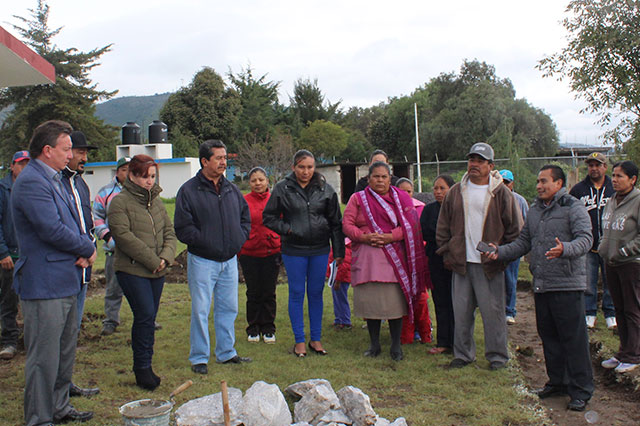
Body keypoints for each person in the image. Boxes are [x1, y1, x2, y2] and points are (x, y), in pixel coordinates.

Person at [485, 164, 594, 412]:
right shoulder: (535, 210)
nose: (538, 186)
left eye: (544, 181)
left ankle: (581, 390)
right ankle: (558, 382)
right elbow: (523, 243)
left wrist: (565, 249)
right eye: (538, 181)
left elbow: (586, 239)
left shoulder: (573, 207)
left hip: (567, 285)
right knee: (550, 338)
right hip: (543, 285)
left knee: (573, 340)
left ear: (558, 183)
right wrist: (498, 252)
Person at [12, 120, 96, 425]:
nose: (71, 153)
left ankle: (59, 407)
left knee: (63, 353)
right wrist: (86, 248)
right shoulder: (33, 181)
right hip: (44, 283)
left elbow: (72, 223)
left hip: (65, 279)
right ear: (47, 151)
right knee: (43, 360)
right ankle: (39, 417)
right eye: (66, 148)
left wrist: (83, 247)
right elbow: (51, 229)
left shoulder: (56, 179)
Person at [436, 142, 521, 370]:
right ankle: (463, 355)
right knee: (461, 313)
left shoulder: (501, 192)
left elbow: (515, 228)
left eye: (480, 161)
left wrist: (502, 254)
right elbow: (443, 226)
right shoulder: (456, 191)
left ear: (490, 165)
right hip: (462, 264)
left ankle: (497, 357)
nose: (474, 165)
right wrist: (447, 251)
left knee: (493, 315)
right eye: (472, 160)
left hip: (489, 265)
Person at [174, 140, 251, 374]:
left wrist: (238, 239)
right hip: (202, 261)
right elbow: (183, 227)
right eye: (218, 158)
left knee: (229, 308)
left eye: (225, 157)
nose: (223, 162)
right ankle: (199, 357)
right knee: (200, 309)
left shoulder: (232, 189)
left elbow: (244, 219)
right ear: (204, 161)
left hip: (229, 261)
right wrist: (205, 242)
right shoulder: (188, 191)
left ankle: (226, 353)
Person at [342, 161, 427, 361]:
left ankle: (396, 346)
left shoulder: (401, 198)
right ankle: (374, 344)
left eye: (384, 177)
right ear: (368, 179)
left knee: (394, 304)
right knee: (371, 304)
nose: (380, 180)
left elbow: (410, 224)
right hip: (367, 257)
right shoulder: (358, 198)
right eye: (376, 177)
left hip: (394, 257)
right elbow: (347, 224)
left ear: (390, 179)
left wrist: (390, 237)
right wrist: (364, 237)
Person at [264, 149, 345, 357]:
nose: (306, 171)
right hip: (294, 250)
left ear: (314, 167)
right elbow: (269, 217)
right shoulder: (282, 189)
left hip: (320, 249)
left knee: (316, 293)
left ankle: (315, 340)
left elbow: (336, 223)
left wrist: (338, 251)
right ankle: (299, 340)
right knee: (297, 293)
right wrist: (289, 229)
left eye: (309, 167)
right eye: (301, 167)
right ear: (293, 167)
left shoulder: (326, 190)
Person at [108, 154, 176, 390]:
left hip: (157, 270)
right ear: (132, 175)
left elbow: (169, 230)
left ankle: (146, 365)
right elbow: (124, 237)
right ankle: (142, 369)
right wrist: (152, 260)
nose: (149, 181)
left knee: (149, 318)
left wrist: (165, 257)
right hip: (132, 270)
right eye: (145, 176)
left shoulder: (156, 201)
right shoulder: (119, 202)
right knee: (145, 315)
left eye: (153, 176)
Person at [62, 130, 101, 398]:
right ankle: (55, 389)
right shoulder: (55, 183)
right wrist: (81, 250)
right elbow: (56, 227)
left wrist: (91, 249)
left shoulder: (81, 184)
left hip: (83, 268)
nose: (84, 157)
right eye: (80, 152)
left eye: (86, 153)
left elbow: (87, 224)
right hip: (64, 267)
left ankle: (65, 381)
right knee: (58, 332)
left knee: (72, 330)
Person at [598, 161, 640, 373]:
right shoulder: (612, 200)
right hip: (611, 262)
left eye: (619, 176)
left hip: (631, 264)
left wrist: (625, 251)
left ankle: (634, 354)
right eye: (613, 175)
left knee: (632, 309)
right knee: (619, 309)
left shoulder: (638, 201)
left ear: (632, 179)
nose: (614, 180)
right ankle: (623, 352)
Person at [570, 152, 616, 330]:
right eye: (591, 165)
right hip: (587, 245)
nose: (594, 168)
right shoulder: (579, 190)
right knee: (587, 282)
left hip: (610, 244)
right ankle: (589, 313)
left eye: (598, 165)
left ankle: (610, 313)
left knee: (610, 281)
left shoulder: (614, 187)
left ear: (605, 167)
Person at [238, 167, 281, 344]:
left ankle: (269, 328)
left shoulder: (275, 200)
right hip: (249, 252)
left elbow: (282, 222)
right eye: (254, 180)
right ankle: (253, 327)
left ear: (267, 181)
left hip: (272, 252)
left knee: (269, 291)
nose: (258, 183)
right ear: (249, 182)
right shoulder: (243, 201)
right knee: (253, 292)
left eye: (261, 180)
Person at [93, 157, 130, 336]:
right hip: (114, 250)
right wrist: (108, 238)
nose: (128, 173)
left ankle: (146, 319)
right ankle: (111, 320)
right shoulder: (106, 192)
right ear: (118, 172)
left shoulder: (140, 190)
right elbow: (97, 218)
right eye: (124, 169)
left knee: (140, 287)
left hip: (137, 251)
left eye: (131, 169)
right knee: (113, 288)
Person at [421, 174, 456, 355]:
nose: (438, 192)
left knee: (457, 303)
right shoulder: (429, 210)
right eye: (435, 188)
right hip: (435, 260)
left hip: (456, 261)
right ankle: (443, 341)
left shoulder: (458, 209)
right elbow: (425, 232)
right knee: (440, 301)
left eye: (442, 188)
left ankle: (458, 342)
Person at [396, 177, 432, 345]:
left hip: (418, 260)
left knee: (421, 300)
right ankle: (406, 336)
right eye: (402, 191)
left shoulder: (421, 209)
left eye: (409, 191)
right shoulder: (390, 210)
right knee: (403, 300)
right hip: (399, 261)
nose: (406, 194)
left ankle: (425, 332)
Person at [0, 151, 29, 361]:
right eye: (21, 164)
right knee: (9, 299)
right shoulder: (3, 189)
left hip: (30, 254)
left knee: (31, 298)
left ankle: (30, 338)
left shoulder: (33, 188)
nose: (24, 167)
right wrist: (2, 252)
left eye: (28, 163)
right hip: (10, 253)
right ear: (12, 166)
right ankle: (9, 340)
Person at [499, 169, 529, 325]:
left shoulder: (519, 201)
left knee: (510, 278)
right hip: (496, 246)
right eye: (501, 183)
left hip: (513, 246)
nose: (504, 186)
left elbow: (525, 224)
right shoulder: (492, 198)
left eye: (506, 183)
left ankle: (510, 310)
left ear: (512, 184)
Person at [327, 238, 353, 330]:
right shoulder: (338, 247)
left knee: (341, 299)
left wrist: (338, 281)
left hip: (341, 279)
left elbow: (344, 267)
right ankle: (338, 319)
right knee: (337, 299)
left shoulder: (344, 249)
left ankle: (346, 321)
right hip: (336, 277)